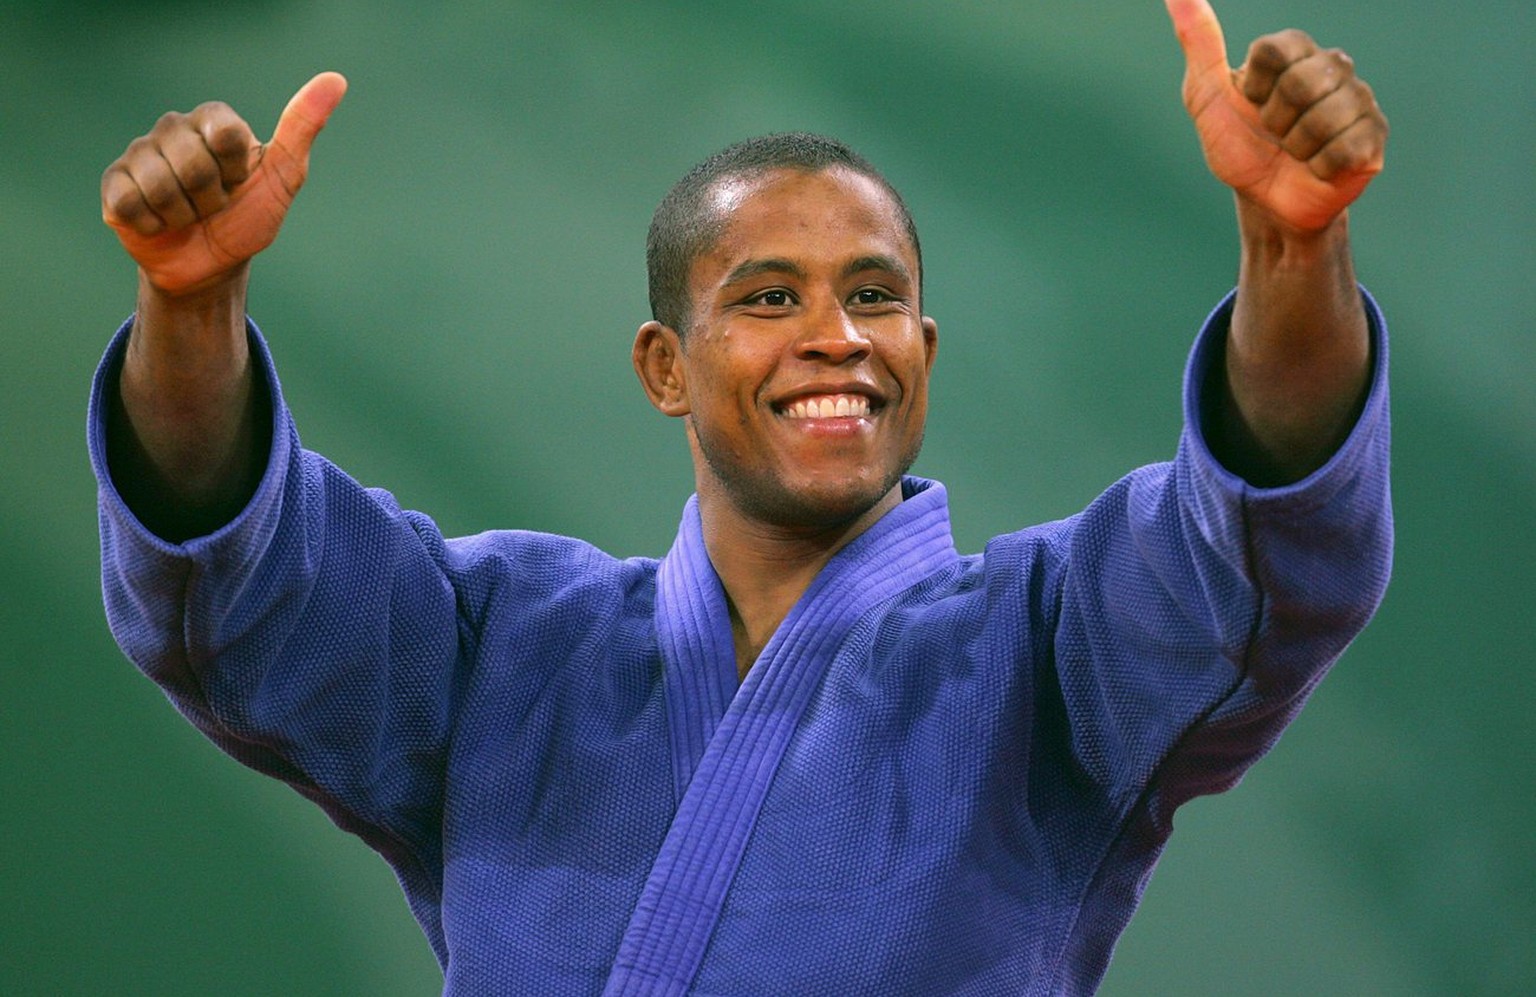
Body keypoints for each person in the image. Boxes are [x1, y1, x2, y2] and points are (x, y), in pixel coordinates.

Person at [91, 0, 1391, 992]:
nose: (837, 334)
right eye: (768, 298)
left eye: (874, 295)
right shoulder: (497, 645)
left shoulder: (1047, 646)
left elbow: (1254, 524)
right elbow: (243, 565)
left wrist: (1293, 252)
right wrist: (190, 310)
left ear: (923, 355)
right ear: (666, 367)